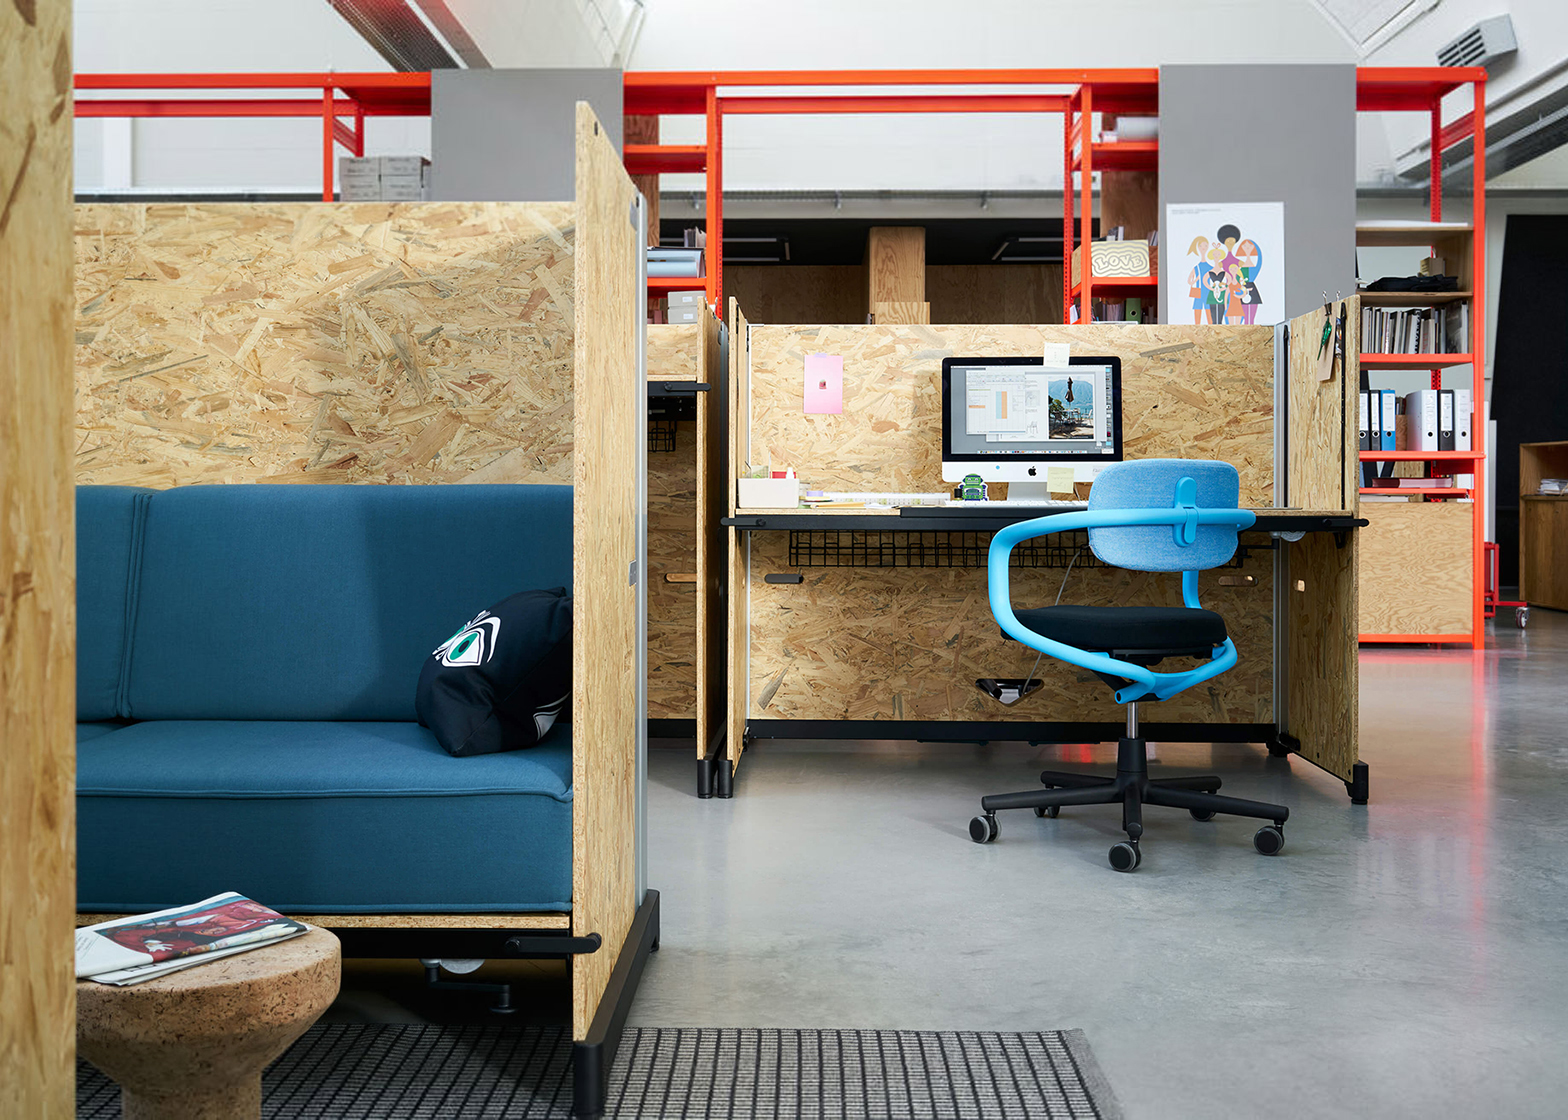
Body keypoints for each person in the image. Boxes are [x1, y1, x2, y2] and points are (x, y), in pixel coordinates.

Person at [1186, 235, 1211, 324]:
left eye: (1205, 245)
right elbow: (1189, 281)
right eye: (1201, 246)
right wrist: (1196, 279)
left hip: (1208, 291)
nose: (1203, 248)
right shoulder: (1196, 267)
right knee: (1197, 316)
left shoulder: (1210, 267)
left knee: (1209, 314)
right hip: (1199, 292)